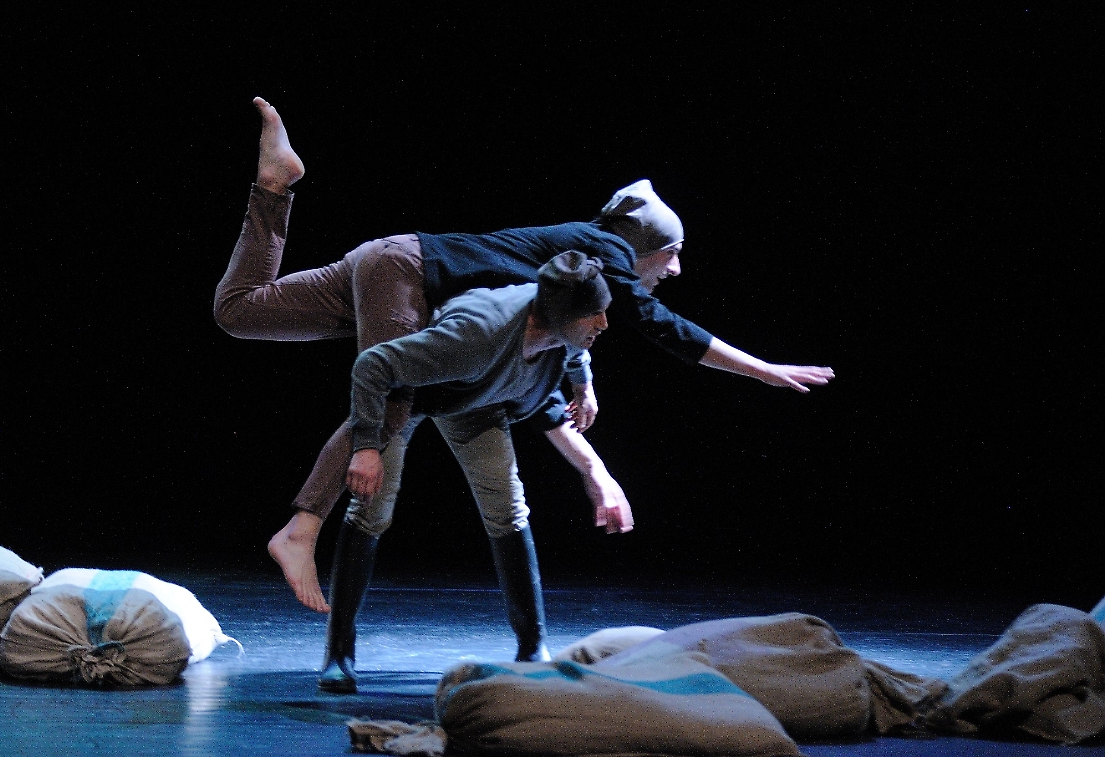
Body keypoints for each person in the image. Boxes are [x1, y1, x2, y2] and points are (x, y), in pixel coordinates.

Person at [214, 97, 833, 613]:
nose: (675, 267)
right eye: (670, 253)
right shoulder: (607, 248)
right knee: (395, 397)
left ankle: (274, 186)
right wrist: (762, 369)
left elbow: (575, 323)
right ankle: (302, 530)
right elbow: (657, 324)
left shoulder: (587, 261)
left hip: (390, 261)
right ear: (642, 246)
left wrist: (584, 381)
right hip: (408, 275)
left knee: (239, 311)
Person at [319, 250, 612, 692]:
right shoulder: (477, 334)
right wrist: (365, 447)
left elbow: (574, 346)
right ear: (559, 316)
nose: (604, 324)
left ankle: (533, 648)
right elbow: (373, 365)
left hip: (474, 397)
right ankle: (338, 653)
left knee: (508, 506)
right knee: (371, 509)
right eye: (595, 314)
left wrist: (583, 384)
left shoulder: (563, 323)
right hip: (409, 396)